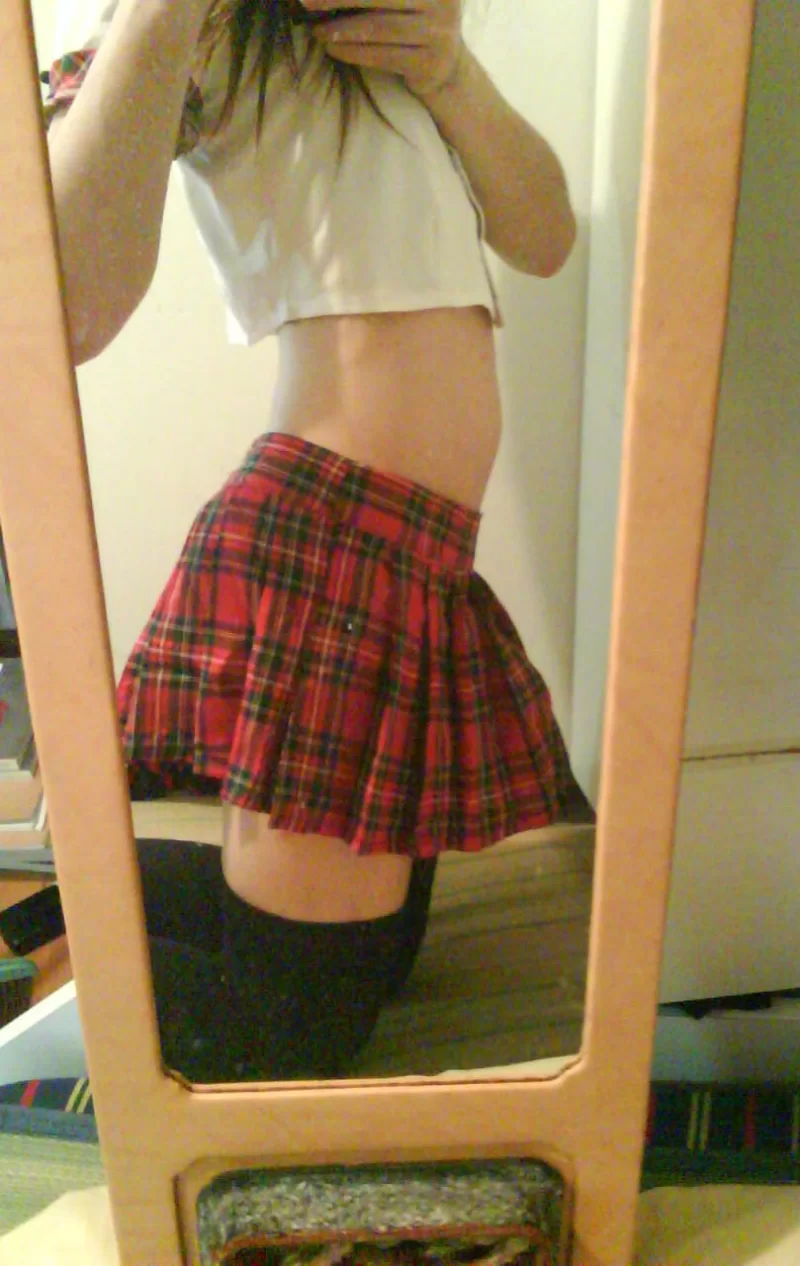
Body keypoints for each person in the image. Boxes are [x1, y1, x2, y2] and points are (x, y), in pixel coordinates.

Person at [43, 0, 589, 1083]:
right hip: (330, 547)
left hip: (413, 557)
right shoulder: (213, 30)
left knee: (377, 967)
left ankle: (73, 914)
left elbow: (545, 239)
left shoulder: (403, 46)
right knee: (298, 1027)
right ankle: (74, 976)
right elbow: (64, 309)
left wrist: (450, 74)